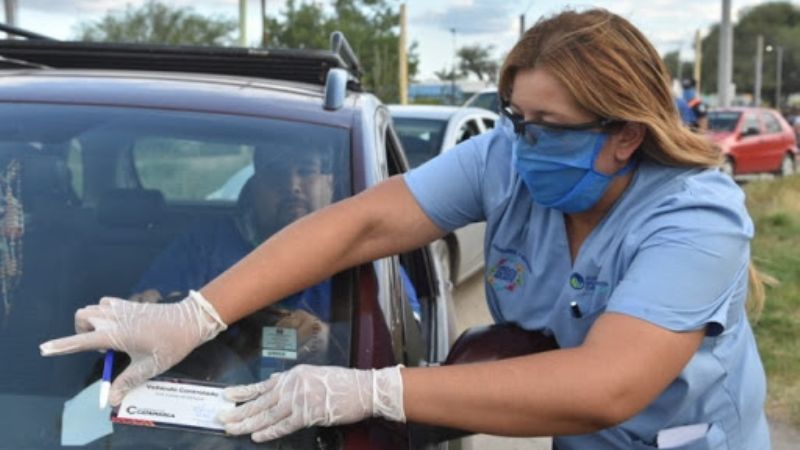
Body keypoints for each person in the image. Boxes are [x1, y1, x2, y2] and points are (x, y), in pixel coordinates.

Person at [40, 9, 769, 449]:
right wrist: (195, 315)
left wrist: (373, 391)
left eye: (550, 126)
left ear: (626, 136)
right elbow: (361, 225)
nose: (523, 143)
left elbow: (607, 385)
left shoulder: (696, 219)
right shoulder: (506, 160)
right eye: (518, 117)